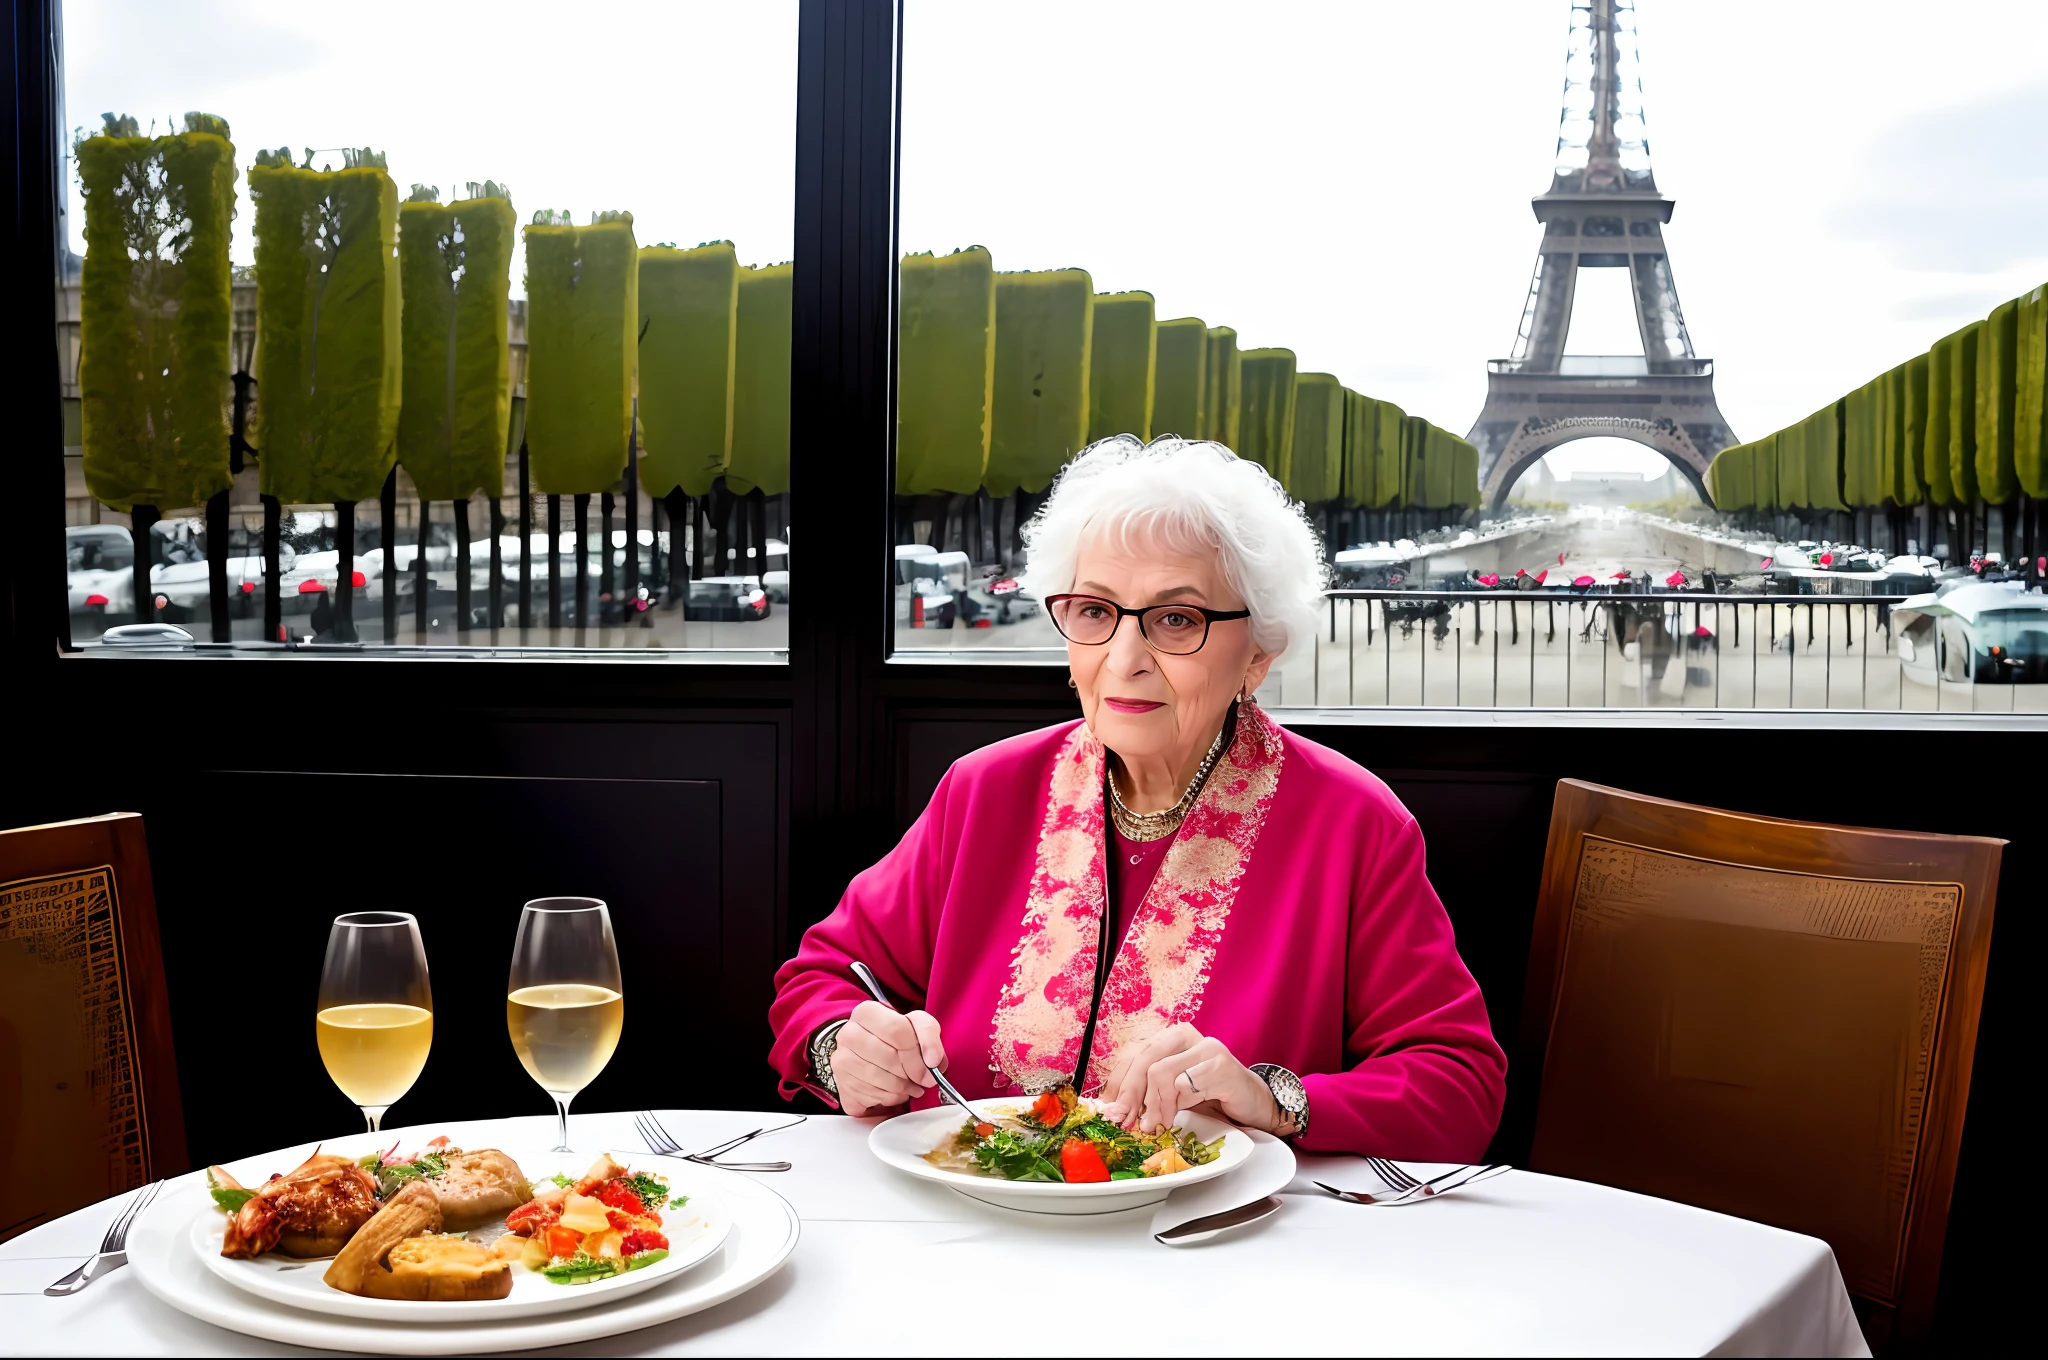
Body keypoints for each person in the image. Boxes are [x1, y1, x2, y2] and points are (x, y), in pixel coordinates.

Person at [769, 436, 1506, 1157]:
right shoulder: (983, 790)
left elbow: (1459, 1083)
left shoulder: (1352, 823)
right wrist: (845, 1046)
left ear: (1260, 651)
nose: (1124, 660)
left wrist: (1271, 1098)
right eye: (1094, 612)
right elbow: (821, 978)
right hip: (969, 1224)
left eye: (1176, 620)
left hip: (1214, 1252)